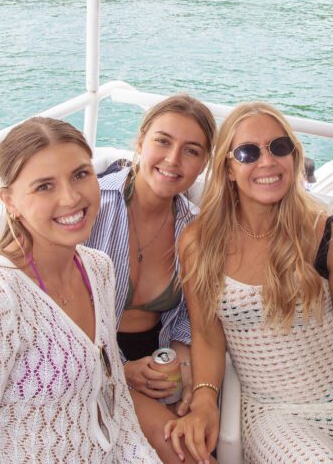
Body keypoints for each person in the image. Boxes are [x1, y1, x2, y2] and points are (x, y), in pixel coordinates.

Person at [164, 102, 333, 464]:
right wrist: (204, 400)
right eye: (247, 152)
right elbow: (207, 336)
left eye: (279, 147)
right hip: (274, 411)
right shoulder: (199, 242)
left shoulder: (328, 234)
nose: (267, 162)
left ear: (293, 156)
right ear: (228, 168)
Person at [0, 117, 160, 463]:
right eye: (44, 186)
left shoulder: (98, 269)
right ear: (10, 202)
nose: (71, 198)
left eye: (81, 174)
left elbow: (116, 406)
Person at [87, 94, 216, 463]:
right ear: (141, 142)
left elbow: (193, 321)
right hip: (89, 362)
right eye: (163, 141)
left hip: (156, 363)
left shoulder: (195, 230)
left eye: (191, 151)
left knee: (191, 448)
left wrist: (188, 373)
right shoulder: (94, 205)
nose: (173, 160)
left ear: (203, 163)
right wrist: (123, 372)